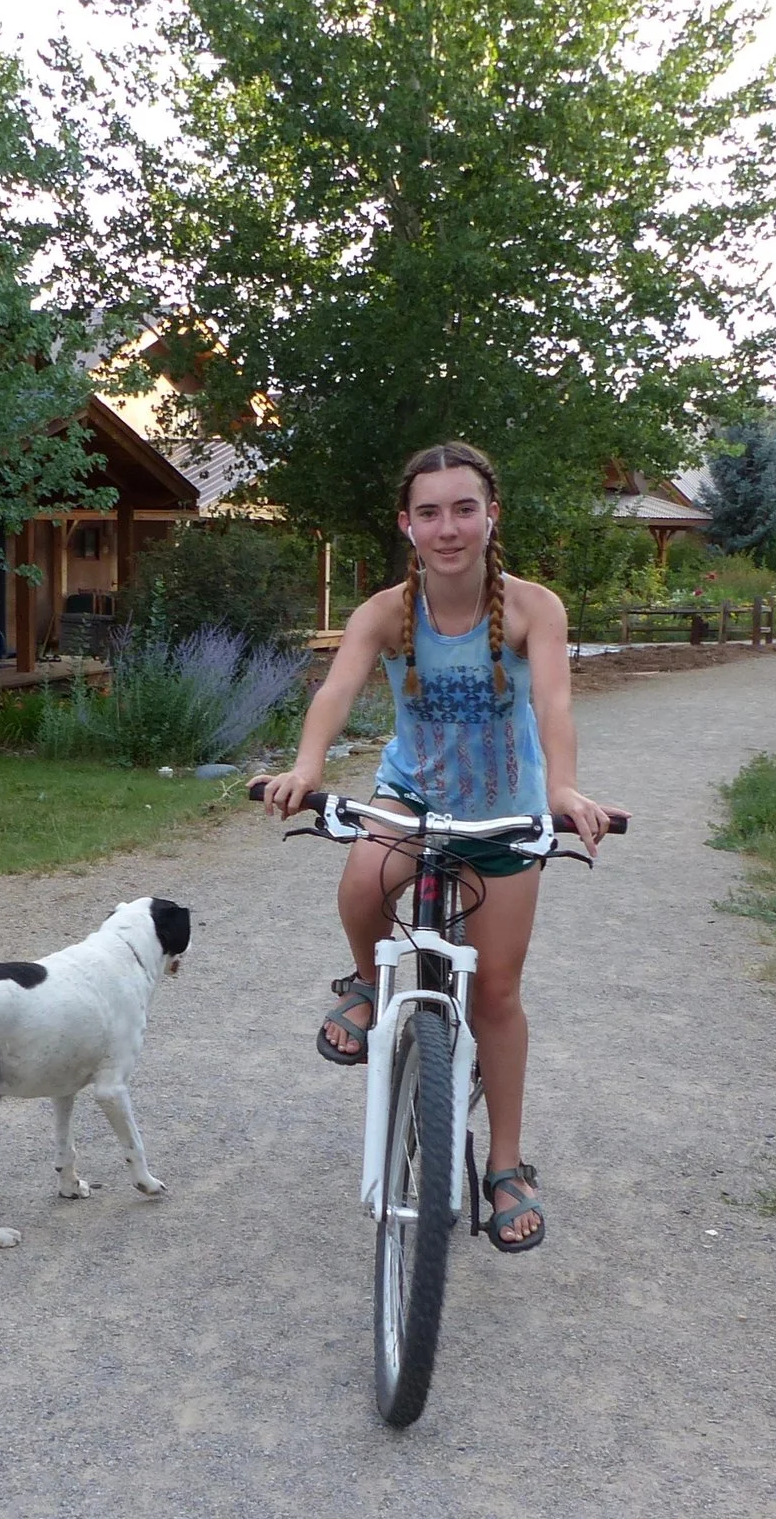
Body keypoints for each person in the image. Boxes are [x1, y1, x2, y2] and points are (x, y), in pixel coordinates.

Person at [258, 442, 622, 1252]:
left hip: (505, 813)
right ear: (407, 524)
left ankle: (505, 1163)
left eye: (464, 509)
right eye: (430, 512)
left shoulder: (534, 608)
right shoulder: (386, 612)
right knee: (361, 878)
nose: (448, 527)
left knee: (495, 993)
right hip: (414, 794)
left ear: (492, 516)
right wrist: (306, 767)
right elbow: (337, 689)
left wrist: (563, 790)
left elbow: (556, 705)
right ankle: (365, 980)